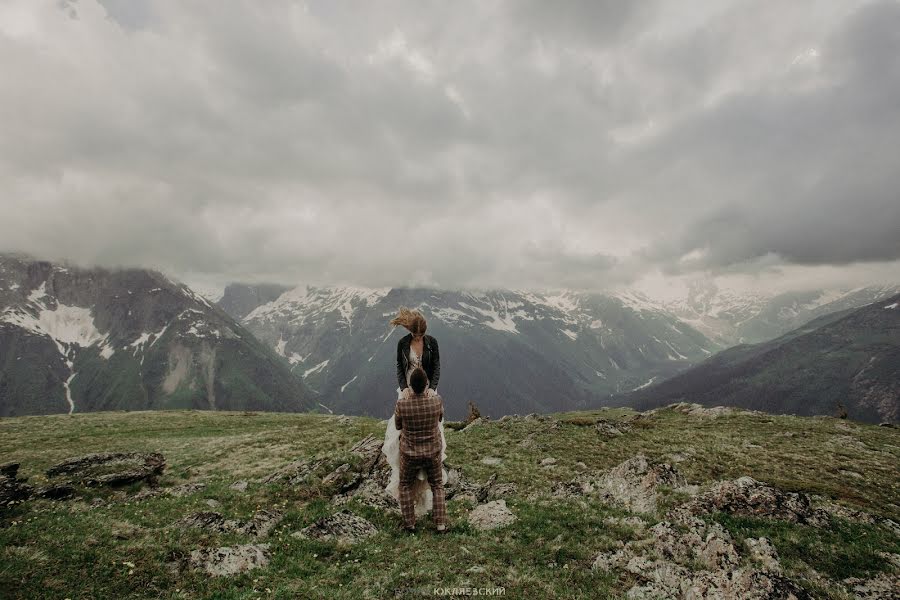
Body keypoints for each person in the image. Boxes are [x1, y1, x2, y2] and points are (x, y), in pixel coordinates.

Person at [381, 307, 447, 529]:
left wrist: (432, 387)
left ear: (424, 333)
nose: (418, 338)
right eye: (415, 335)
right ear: (410, 332)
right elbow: (400, 367)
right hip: (409, 389)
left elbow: (436, 366)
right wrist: (404, 387)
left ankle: (415, 467)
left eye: (420, 336)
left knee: (418, 425)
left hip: (427, 389)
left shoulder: (432, 342)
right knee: (409, 429)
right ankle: (417, 462)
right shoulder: (402, 343)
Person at [393, 367, 448, 533]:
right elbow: (440, 418)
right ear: (426, 385)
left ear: (410, 386)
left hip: (409, 454)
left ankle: (410, 525)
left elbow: (397, 425)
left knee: (405, 485)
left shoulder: (402, 404)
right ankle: (440, 525)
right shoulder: (437, 401)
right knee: (437, 485)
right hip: (432, 452)